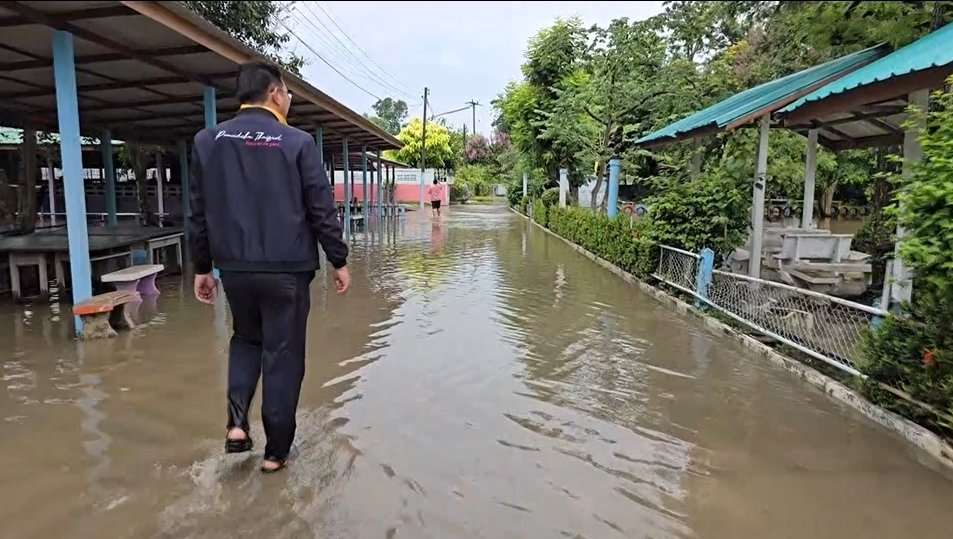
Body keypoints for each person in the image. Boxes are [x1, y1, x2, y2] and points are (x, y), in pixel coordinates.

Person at [189, 61, 350, 473]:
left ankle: (237, 424)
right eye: (289, 94)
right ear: (276, 93)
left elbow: (199, 211)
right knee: (283, 353)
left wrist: (202, 267)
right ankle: (275, 453)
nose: (290, 101)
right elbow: (320, 205)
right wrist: (338, 258)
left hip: (235, 270)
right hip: (287, 271)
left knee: (245, 339)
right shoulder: (296, 142)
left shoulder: (207, 141)